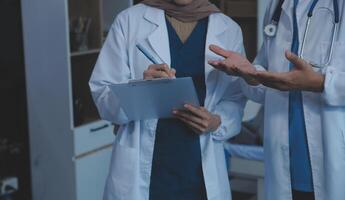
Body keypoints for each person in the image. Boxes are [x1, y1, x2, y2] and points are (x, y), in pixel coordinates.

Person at [89, 0, 247, 199]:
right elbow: (103, 96)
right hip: (147, 171)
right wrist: (140, 87)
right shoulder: (130, 21)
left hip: (199, 170)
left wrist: (217, 121)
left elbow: (235, 97)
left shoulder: (228, 29)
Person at [208, 0, 345, 199]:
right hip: (285, 168)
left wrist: (321, 83)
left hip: (334, 160)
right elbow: (268, 85)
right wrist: (250, 74)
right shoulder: (278, 5)